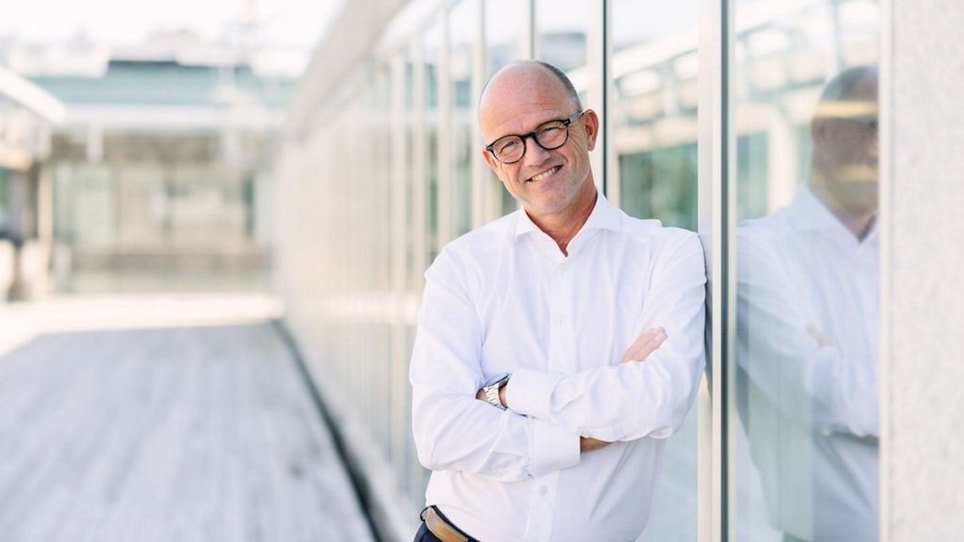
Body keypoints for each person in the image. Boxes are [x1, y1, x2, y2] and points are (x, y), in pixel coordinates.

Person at [408, 60, 706, 542]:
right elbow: (440, 433)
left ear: (588, 129)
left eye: (550, 128)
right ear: (493, 162)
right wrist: (589, 430)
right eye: (510, 144)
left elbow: (659, 400)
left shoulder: (668, 255)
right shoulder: (462, 267)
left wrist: (512, 392)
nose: (534, 156)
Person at [735, 65, 880, 541]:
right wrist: (930, 399)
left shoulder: (919, 257)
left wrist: (841, 371)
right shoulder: (757, 252)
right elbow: (815, 390)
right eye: (873, 125)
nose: (890, 143)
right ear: (822, 131)